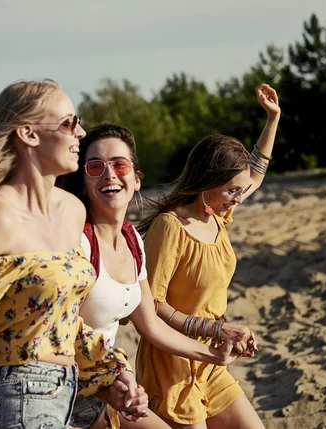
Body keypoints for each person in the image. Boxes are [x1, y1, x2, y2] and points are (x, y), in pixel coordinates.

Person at [0, 79, 150, 429]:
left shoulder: (71, 211)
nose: (80, 132)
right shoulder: (0, 215)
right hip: (16, 399)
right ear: (28, 134)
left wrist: (111, 372)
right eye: (68, 123)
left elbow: (61, 318)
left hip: (69, 393)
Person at [57, 123, 248, 429]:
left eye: (119, 164)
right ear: (83, 182)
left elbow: (150, 325)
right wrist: (117, 372)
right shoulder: (75, 242)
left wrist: (214, 353)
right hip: (64, 395)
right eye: (95, 167)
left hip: (107, 390)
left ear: (136, 179)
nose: (109, 174)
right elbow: (59, 330)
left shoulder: (132, 240)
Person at [135, 84, 280, 429]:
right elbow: (151, 304)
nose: (238, 198)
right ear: (206, 182)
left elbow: (254, 173)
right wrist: (213, 328)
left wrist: (273, 119)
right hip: (171, 363)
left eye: (240, 190)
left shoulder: (217, 214)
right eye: (231, 190)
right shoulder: (170, 227)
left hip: (213, 359)